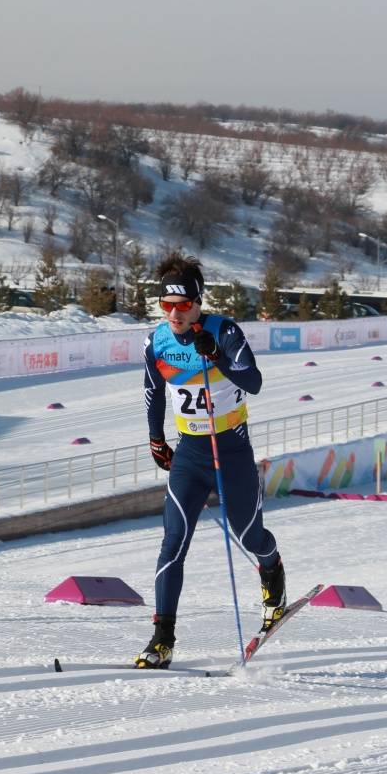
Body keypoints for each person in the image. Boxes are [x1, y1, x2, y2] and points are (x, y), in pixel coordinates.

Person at [136, 253, 286, 669]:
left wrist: (218, 355)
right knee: (173, 541)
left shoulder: (226, 330)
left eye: (183, 306)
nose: (174, 314)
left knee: (248, 535)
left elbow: (253, 382)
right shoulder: (156, 341)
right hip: (190, 453)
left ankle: (272, 573)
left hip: (232, 451)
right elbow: (152, 393)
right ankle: (162, 638)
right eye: (166, 306)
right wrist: (155, 438)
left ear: (198, 302)